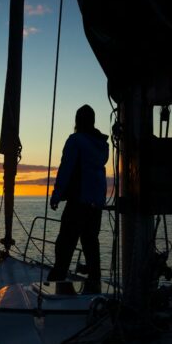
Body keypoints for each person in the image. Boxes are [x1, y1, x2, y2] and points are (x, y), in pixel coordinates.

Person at [48, 104, 109, 294]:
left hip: (78, 202)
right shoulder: (102, 146)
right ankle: (95, 284)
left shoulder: (76, 141)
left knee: (65, 244)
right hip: (95, 204)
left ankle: (56, 282)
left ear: (77, 121)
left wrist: (57, 195)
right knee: (91, 243)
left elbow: (66, 169)